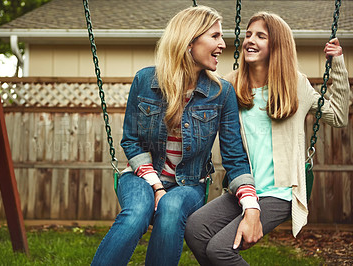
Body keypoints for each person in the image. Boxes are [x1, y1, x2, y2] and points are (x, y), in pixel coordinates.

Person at [91, 5, 256, 266]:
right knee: (136, 213)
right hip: (142, 176)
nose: (223, 44)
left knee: (171, 208)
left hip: (189, 184)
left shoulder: (221, 93)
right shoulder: (145, 80)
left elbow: (235, 158)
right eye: (215, 36)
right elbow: (131, 141)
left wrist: (251, 205)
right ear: (190, 41)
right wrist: (156, 187)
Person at [184, 11, 350, 265]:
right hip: (244, 188)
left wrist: (337, 63)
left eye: (261, 36)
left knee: (220, 249)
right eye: (248, 34)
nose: (250, 40)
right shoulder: (230, 85)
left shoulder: (295, 85)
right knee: (195, 228)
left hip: (280, 193)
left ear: (278, 45)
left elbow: (338, 116)